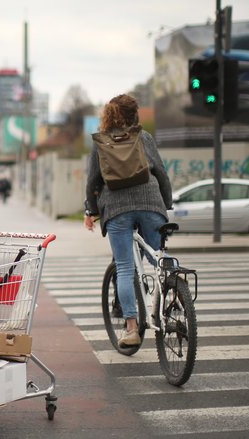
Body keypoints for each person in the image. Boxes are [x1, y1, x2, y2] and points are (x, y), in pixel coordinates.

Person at [84, 94, 173, 348]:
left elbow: (93, 181)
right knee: (158, 256)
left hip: (117, 208)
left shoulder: (101, 142)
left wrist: (90, 210)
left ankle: (132, 328)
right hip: (150, 202)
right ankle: (173, 285)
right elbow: (161, 173)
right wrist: (166, 204)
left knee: (124, 267)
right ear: (135, 115)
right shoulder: (144, 138)